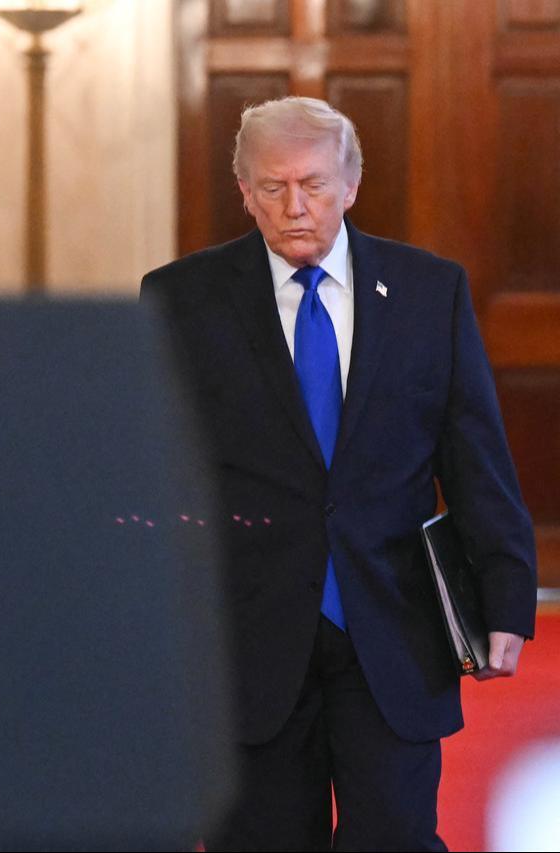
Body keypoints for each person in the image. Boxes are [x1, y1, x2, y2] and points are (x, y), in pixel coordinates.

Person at [140, 96, 537, 850]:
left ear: (351, 184)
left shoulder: (430, 291)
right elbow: (156, 468)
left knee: (395, 835)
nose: (295, 206)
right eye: (273, 187)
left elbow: (474, 451)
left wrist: (508, 591)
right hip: (248, 632)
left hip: (393, 622)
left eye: (314, 185)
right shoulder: (182, 298)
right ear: (244, 192)